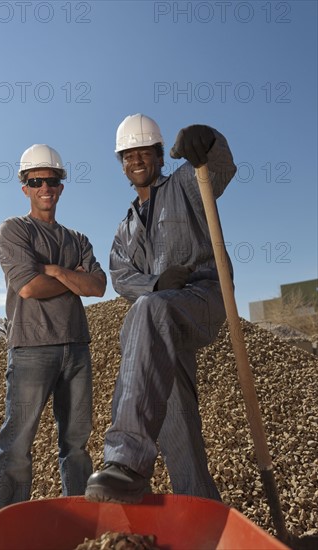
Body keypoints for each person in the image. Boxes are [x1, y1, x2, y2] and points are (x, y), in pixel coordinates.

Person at [85, 114, 236, 504]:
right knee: (173, 416)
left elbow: (220, 169)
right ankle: (203, 510)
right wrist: (155, 284)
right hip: (160, 322)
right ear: (121, 163)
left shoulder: (187, 183)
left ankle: (125, 460)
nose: (136, 160)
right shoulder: (124, 228)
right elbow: (120, 276)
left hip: (202, 296)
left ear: (158, 155)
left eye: (144, 152)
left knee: (148, 311)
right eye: (128, 154)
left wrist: (210, 140)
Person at [0, 144, 106, 522]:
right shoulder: (14, 231)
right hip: (31, 348)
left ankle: (81, 524)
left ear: (61, 186)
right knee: (16, 446)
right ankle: (3, 528)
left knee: (77, 445)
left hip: (77, 348)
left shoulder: (78, 240)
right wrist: (73, 280)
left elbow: (99, 285)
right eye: (36, 181)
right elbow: (29, 288)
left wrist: (54, 271)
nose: (45, 187)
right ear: (25, 188)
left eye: (51, 180)